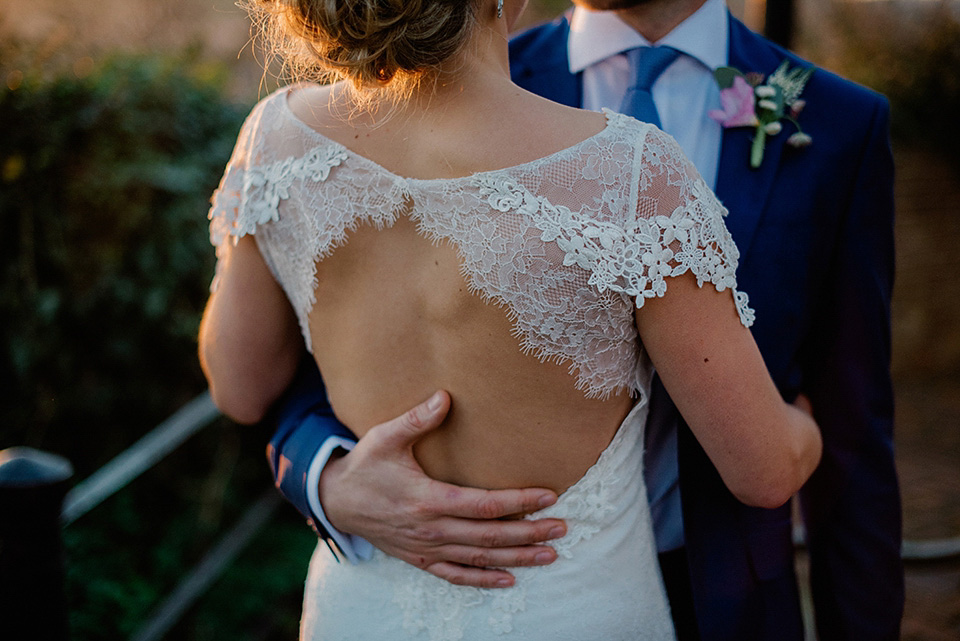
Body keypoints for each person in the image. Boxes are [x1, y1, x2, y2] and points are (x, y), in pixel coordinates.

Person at [261, 1, 904, 640]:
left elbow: (858, 429)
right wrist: (328, 475)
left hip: (730, 596)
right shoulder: (446, 66)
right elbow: (304, 349)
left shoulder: (841, 123)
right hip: (514, 584)